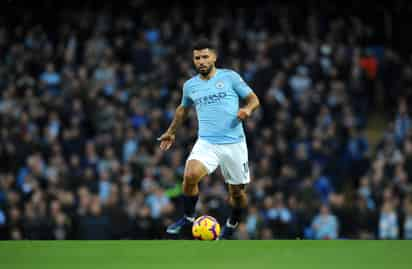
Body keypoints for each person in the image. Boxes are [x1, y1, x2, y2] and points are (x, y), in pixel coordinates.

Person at [158, 37, 260, 239]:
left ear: (214, 57)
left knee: (237, 193)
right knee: (189, 176)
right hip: (207, 142)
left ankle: (233, 221)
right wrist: (171, 132)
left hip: (234, 144)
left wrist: (247, 110)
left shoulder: (230, 77)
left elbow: (253, 99)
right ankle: (188, 218)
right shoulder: (190, 86)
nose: (201, 61)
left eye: (205, 56)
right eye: (197, 58)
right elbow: (182, 110)